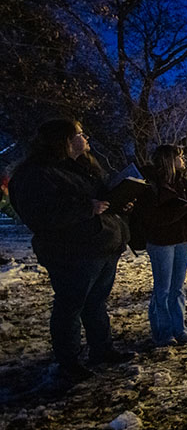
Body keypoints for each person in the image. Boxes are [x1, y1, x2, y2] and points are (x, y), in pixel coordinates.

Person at [8, 119, 133, 382]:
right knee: (70, 306)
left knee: (96, 303)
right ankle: (69, 361)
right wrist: (88, 208)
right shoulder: (37, 173)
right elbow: (41, 214)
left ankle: (102, 348)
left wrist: (119, 202)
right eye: (79, 134)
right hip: (71, 253)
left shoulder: (82, 166)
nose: (85, 138)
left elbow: (101, 199)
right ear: (63, 139)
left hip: (102, 246)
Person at [139, 144, 187, 346]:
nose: (183, 160)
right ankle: (163, 331)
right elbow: (155, 217)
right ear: (169, 159)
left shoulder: (183, 184)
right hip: (161, 241)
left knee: (177, 287)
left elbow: (186, 212)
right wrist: (183, 209)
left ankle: (180, 328)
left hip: (181, 239)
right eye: (179, 156)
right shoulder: (152, 186)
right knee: (163, 288)